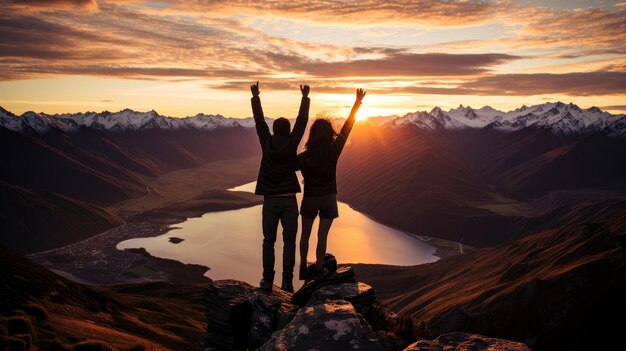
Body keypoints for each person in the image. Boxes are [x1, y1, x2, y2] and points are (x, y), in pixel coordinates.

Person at [297, 88, 365, 280]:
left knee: (305, 235)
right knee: (322, 236)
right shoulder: (334, 149)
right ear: (329, 134)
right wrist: (356, 104)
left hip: (310, 198)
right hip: (328, 198)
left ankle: (302, 267)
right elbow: (347, 128)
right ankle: (319, 268)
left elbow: (287, 165)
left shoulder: (305, 156)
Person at [250, 81, 310, 293]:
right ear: (288, 131)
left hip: (270, 200)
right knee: (289, 242)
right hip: (289, 200)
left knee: (268, 240)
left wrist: (256, 97)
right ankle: (287, 282)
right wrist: (305, 98)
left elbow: (259, 121)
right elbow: (302, 123)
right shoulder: (292, 142)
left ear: (274, 130)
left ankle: (267, 281)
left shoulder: (267, 142)